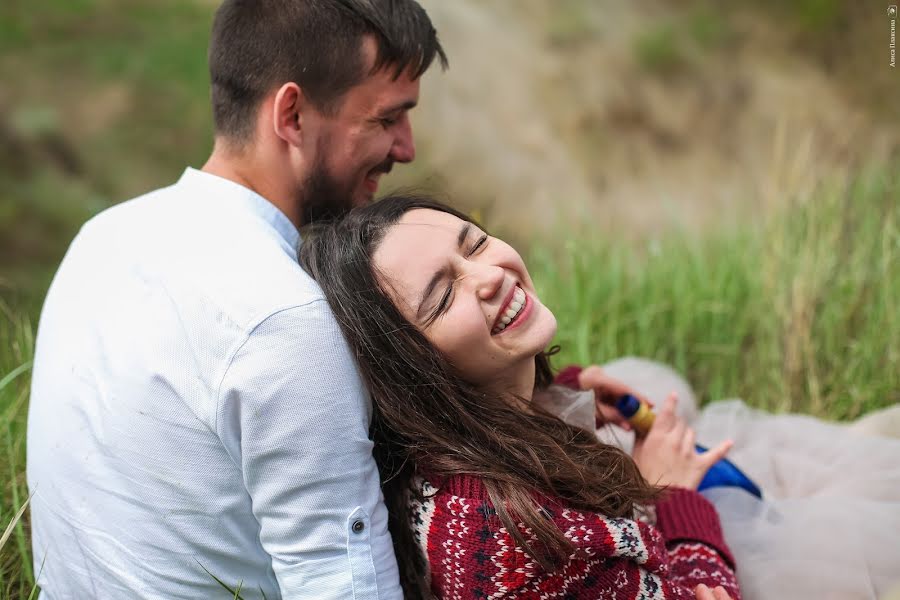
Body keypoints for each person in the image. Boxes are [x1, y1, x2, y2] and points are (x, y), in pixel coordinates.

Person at [26, 1, 446, 598]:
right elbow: (342, 584)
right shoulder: (284, 314)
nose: (405, 148)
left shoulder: (104, 236)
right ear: (293, 114)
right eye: (385, 119)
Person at [300, 195, 742, 599]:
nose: (490, 275)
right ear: (409, 365)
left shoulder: (425, 448)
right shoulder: (517, 544)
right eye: (444, 294)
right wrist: (675, 495)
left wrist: (561, 397)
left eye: (474, 245)